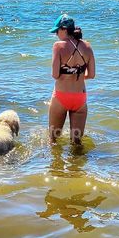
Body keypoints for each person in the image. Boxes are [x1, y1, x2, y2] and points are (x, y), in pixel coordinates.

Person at [48, 14, 95, 145]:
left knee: (53, 139)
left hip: (61, 97)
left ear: (63, 29)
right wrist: (76, 73)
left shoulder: (58, 46)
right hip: (80, 98)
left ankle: (55, 165)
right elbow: (91, 75)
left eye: (57, 31)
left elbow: (55, 75)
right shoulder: (87, 46)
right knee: (77, 142)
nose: (56, 34)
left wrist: (67, 73)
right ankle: (77, 165)